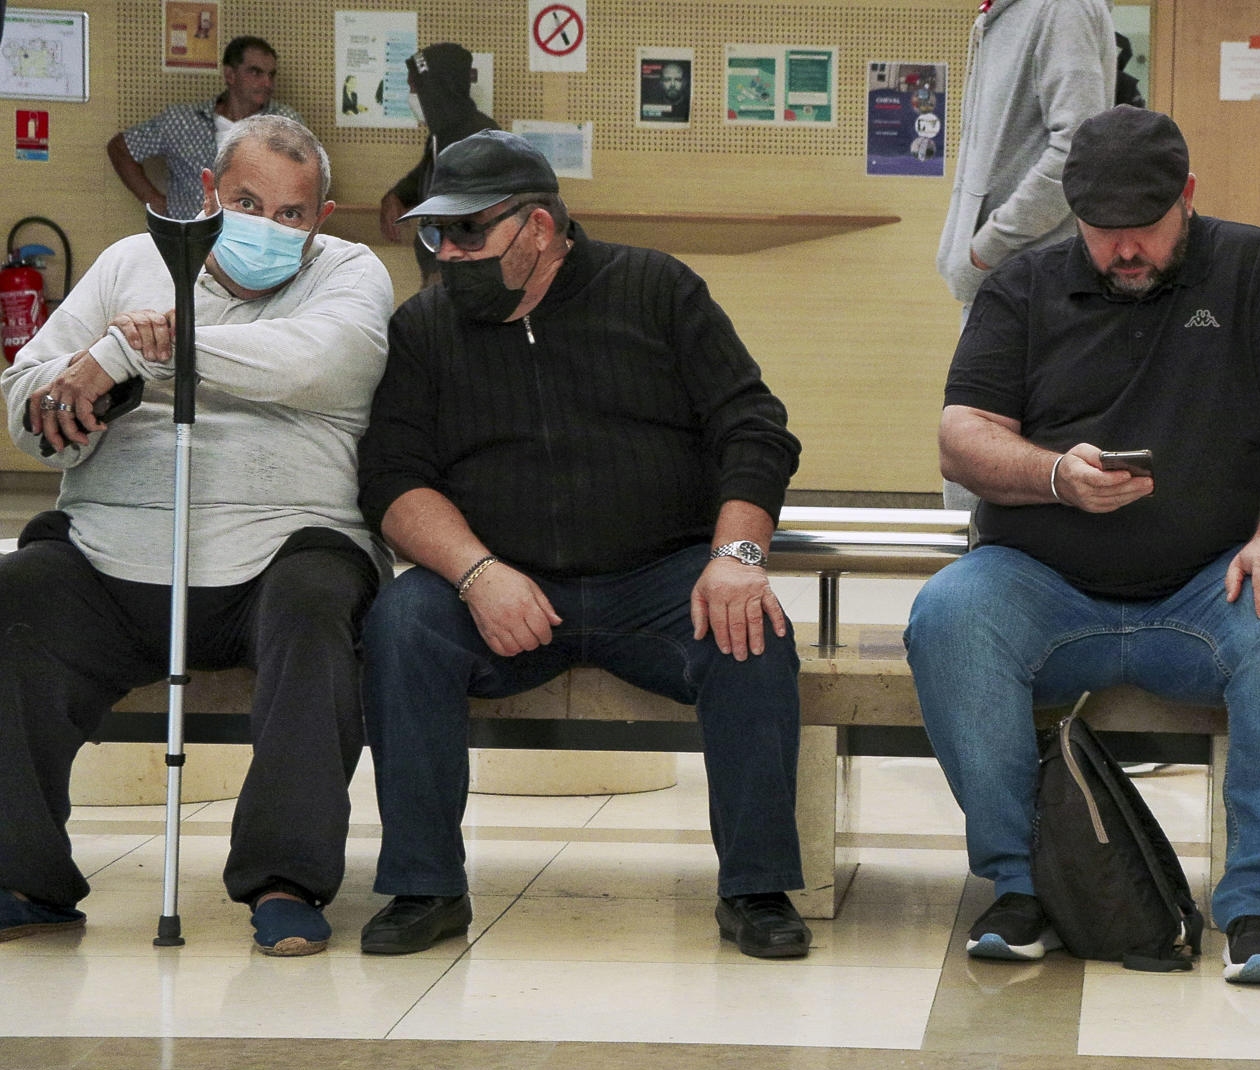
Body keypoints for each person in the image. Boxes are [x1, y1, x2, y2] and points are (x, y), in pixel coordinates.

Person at [906, 107, 1260, 985]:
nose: (1125, 251)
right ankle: (1020, 886)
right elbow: (963, 435)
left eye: (1144, 229)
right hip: (1040, 582)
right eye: (1104, 235)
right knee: (948, 613)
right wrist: (1055, 476)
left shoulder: (1254, 267)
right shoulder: (1023, 288)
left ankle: (1259, 907)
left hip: (1209, 585)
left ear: (1187, 198)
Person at [354, 131, 812, 961]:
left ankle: (756, 886)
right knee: (402, 623)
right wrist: (476, 571)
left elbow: (753, 425)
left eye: (467, 234)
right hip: (500, 588)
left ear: (538, 228)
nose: (447, 254)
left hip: (659, 581)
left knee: (755, 631)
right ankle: (424, 885)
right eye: (435, 235)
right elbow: (392, 479)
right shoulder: (424, 329)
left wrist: (737, 556)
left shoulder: (657, 290)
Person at [0, 115, 392, 955]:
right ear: (208, 193)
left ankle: (284, 879)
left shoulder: (350, 272)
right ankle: (20, 872)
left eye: (291, 213)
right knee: (15, 597)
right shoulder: (126, 264)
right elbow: (28, 392)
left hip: (283, 548)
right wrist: (64, 404)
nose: (268, 226)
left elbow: (320, 362)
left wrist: (146, 352)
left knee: (321, 607)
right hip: (113, 553)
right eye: (247, 201)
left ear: (321, 219)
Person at [934, 0, 1115, 509]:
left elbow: (1076, 149)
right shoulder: (1000, 16)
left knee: (1011, 466)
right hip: (1002, 279)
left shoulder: (1060, 9)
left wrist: (989, 245)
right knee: (978, 458)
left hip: (1036, 281)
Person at [108, 36, 303, 217]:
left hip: (258, 237)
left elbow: (306, 175)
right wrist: (154, 202)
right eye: (256, 72)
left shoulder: (285, 123)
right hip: (190, 237)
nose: (267, 83)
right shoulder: (182, 121)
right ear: (230, 74)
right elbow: (120, 148)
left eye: (271, 75)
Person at [378, 43, 496, 286]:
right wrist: (396, 196)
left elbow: (477, 216)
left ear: (438, 89)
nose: (411, 96)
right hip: (440, 270)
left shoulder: (480, 139)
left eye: (415, 87)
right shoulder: (442, 134)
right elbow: (427, 174)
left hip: (462, 275)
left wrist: (444, 271)